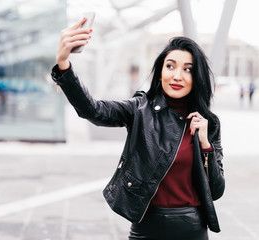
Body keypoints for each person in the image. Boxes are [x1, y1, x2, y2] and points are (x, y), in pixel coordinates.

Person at [51, 18, 225, 240]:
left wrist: (205, 145)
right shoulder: (140, 109)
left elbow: (216, 191)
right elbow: (93, 111)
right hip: (147, 227)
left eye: (187, 69)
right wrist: (64, 65)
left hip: (192, 228)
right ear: (160, 71)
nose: (177, 75)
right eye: (170, 66)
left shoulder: (208, 123)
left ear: (197, 77)